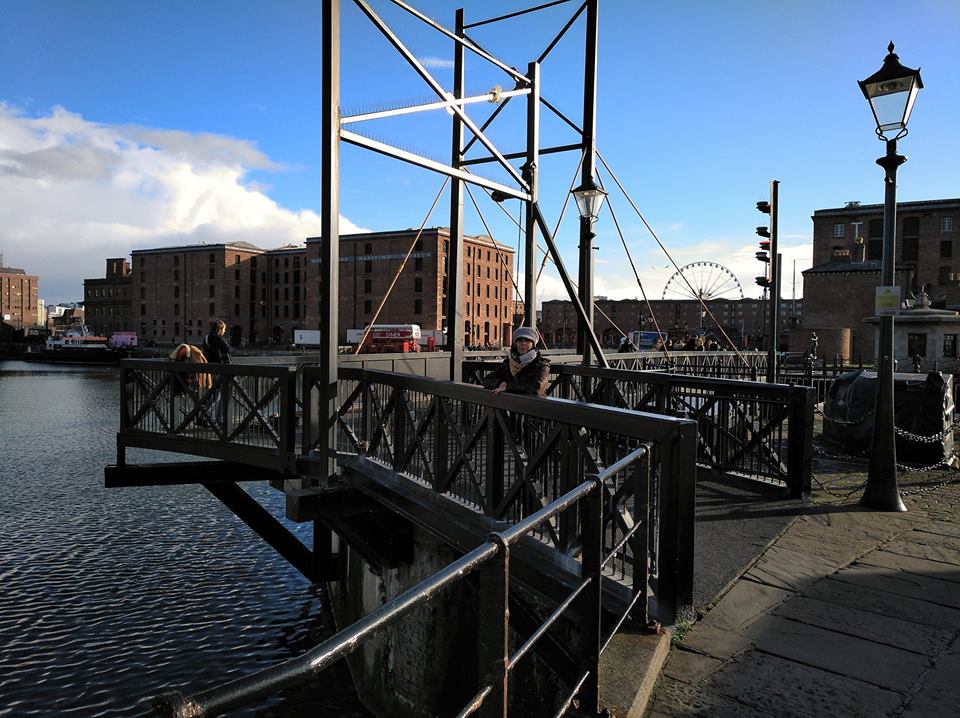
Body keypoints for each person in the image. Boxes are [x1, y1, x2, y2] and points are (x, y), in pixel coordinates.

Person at [482, 327, 550, 398]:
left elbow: (537, 388)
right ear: (516, 343)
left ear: (533, 344)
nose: (523, 343)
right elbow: (486, 380)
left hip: (534, 403)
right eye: (520, 340)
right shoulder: (509, 362)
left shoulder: (542, 364)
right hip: (511, 402)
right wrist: (500, 383)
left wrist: (508, 387)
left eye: (527, 340)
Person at [202, 320, 231, 426]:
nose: (224, 331)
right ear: (219, 329)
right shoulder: (218, 339)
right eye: (224, 329)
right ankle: (219, 420)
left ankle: (203, 416)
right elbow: (228, 349)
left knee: (215, 396)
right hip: (220, 370)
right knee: (223, 396)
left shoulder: (206, 338)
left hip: (210, 370)